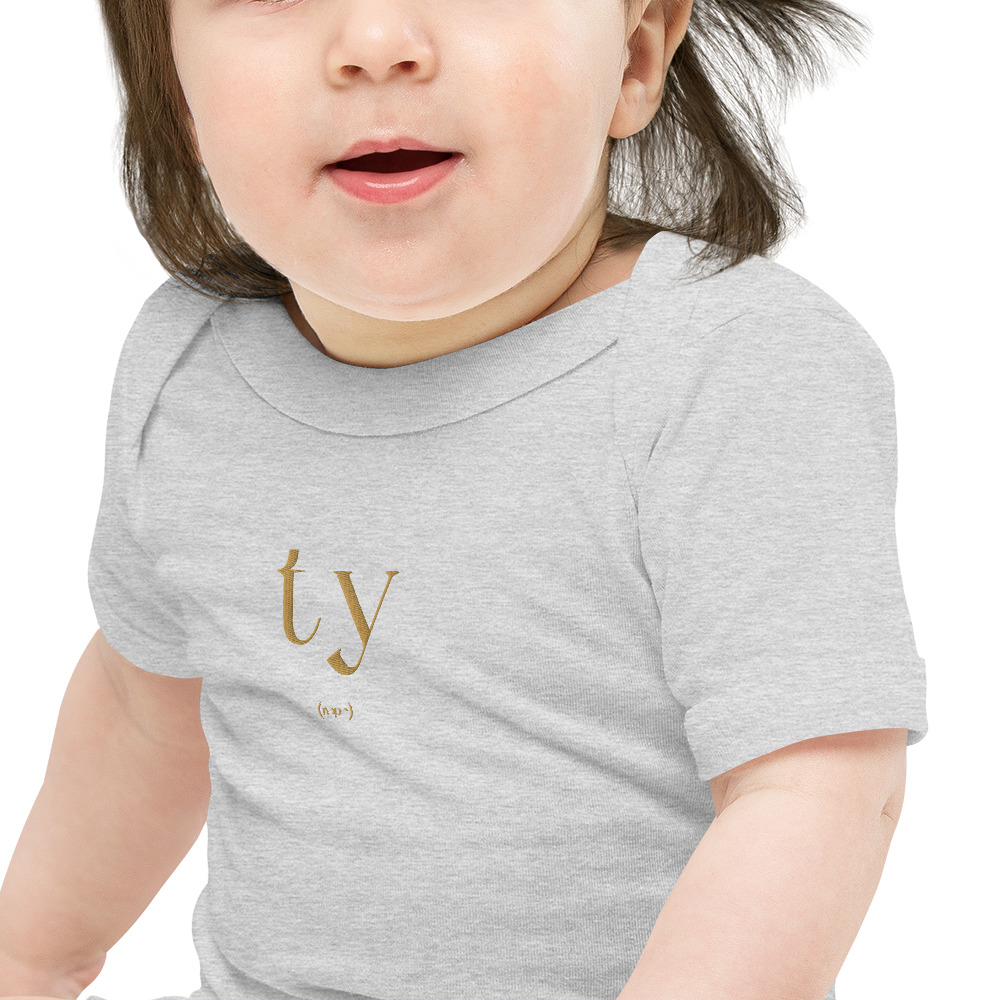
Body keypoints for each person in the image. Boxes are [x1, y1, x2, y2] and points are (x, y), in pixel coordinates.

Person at [0, 1, 929, 999]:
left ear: (633, 56)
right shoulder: (189, 368)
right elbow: (144, 708)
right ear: (177, 92)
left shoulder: (729, 370)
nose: (374, 45)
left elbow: (816, 788)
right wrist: (28, 959)